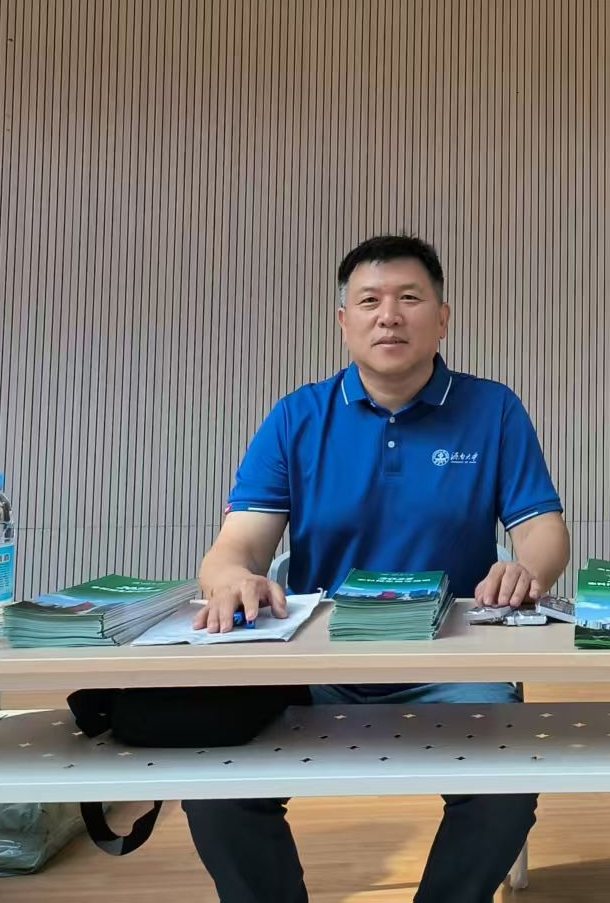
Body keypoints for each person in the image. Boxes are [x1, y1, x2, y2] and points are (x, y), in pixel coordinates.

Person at [184, 234, 570, 903]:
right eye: (369, 301)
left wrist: (526, 570)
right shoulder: (298, 417)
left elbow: (543, 531)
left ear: (442, 318)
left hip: (452, 663)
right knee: (216, 786)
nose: (389, 316)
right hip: (316, 666)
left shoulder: (493, 410)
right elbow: (234, 547)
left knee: (506, 780)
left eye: (409, 298)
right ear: (344, 322)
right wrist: (232, 578)